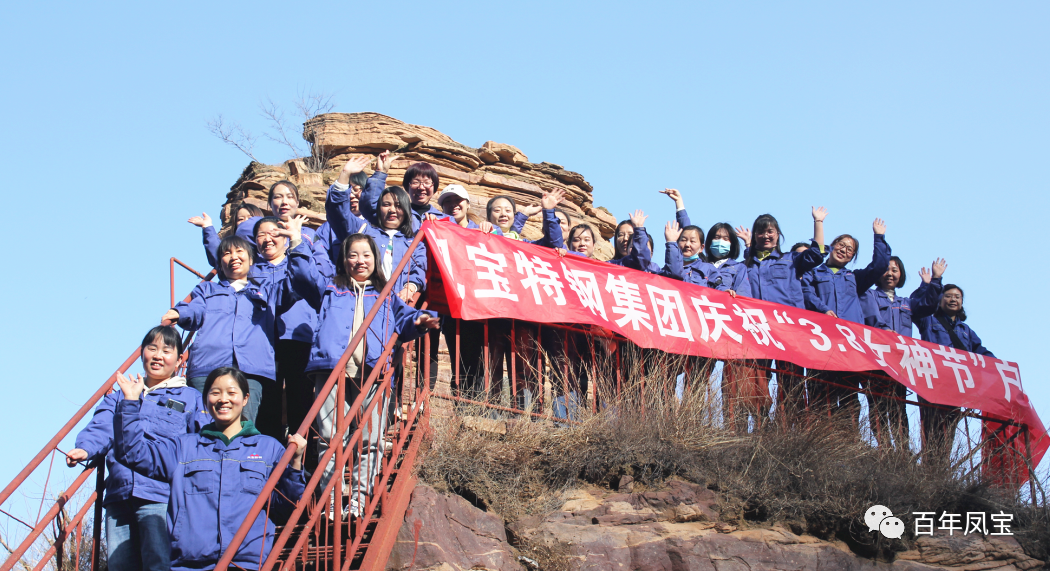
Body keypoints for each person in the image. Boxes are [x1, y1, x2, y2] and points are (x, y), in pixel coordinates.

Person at [282, 228, 439, 517]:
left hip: (372, 372)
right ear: (344, 260)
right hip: (331, 370)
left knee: (372, 439)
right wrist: (296, 241)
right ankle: (331, 500)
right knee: (330, 438)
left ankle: (358, 499)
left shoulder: (385, 293)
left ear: (375, 259)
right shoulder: (330, 287)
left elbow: (405, 319)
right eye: (353, 255)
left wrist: (424, 319)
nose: (360, 260)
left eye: (366, 255)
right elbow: (304, 276)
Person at [113, 367, 307, 571]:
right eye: (215, 393)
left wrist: (295, 462)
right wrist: (130, 402)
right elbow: (132, 453)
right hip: (189, 565)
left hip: (246, 565)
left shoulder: (268, 449)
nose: (224, 399)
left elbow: (288, 507)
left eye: (232, 393)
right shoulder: (183, 447)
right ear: (205, 399)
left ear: (245, 398)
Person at [67, 326, 207, 571]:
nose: (157, 355)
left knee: (159, 563)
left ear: (179, 359)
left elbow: (202, 442)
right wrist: (85, 449)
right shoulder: (120, 395)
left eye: (166, 350)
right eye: (151, 348)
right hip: (119, 495)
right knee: (119, 565)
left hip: (161, 495)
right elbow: (102, 428)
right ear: (142, 353)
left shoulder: (191, 398)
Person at [161, 230, 299, 439]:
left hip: (251, 368)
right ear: (220, 262)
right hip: (208, 367)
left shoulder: (267, 290)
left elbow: (297, 284)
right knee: (202, 428)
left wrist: (297, 244)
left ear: (251, 258)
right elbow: (195, 310)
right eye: (226, 253)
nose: (233, 257)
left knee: (243, 429)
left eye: (239, 251)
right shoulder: (207, 290)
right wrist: (180, 312)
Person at [729, 208, 826, 430]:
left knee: (791, 382)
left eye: (770, 231)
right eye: (760, 232)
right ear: (754, 237)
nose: (766, 236)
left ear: (778, 234)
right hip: (758, 332)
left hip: (789, 332)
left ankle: (792, 430)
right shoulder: (745, 266)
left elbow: (817, 255)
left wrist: (818, 221)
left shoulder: (791, 260)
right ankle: (762, 426)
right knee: (756, 380)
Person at [801, 217, 891, 424]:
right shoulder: (814, 273)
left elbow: (879, 266)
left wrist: (879, 237)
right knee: (819, 390)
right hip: (820, 341)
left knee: (849, 394)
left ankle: (848, 440)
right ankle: (819, 436)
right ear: (832, 246)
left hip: (849, 344)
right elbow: (806, 292)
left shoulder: (854, 278)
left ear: (852, 257)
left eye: (850, 249)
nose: (844, 250)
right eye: (841, 245)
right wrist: (824, 310)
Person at [913, 268, 993, 463]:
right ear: (940, 300)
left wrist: (998, 365)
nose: (953, 299)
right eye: (948, 296)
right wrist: (928, 285)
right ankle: (930, 465)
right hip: (932, 380)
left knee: (948, 428)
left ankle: (940, 466)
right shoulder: (928, 320)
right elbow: (916, 307)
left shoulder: (966, 330)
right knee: (930, 425)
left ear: (962, 302)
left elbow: (980, 350)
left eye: (957, 297)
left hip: (956, 385)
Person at [861, 257, 942, 450]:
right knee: (878, 405)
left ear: (901, 274)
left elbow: (929, 305)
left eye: (895, 270)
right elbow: (872, 318)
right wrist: (885, 331)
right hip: (877, 360)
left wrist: (936, 280)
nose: (890, 274)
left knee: (899, 408)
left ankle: (903, 451)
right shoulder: (870, 295)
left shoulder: (906, 303)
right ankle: (885, 448)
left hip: (900, 363)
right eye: (886, 270)